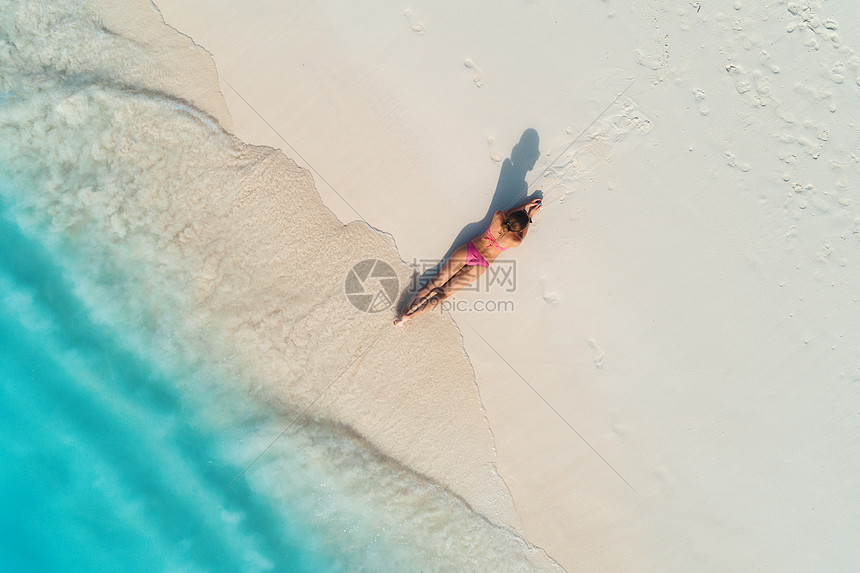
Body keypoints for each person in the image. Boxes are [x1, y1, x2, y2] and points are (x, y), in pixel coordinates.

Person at [394, 197, 542, 326]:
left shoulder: (498, 217)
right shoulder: (515, 240)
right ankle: (408, 317)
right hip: (481, 264)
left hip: (470, 249)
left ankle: (405, 310)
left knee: (436, 282)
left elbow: (507, 212)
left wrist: (525, 206)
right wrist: (530, 216)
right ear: (519, 229)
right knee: (445, 293)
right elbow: (522, 233)